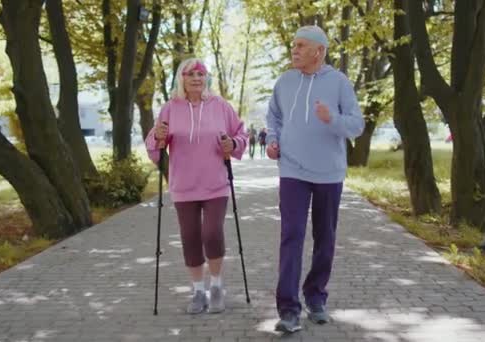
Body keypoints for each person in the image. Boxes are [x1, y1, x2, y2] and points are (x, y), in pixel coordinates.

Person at [265, 25, 365, 333]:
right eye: (293, 45)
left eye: (300, 45)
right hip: (292, 169)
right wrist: (272, 139)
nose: (293, 50)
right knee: (291, 234)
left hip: (328, 173)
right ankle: (288, 309)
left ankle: (316, 297)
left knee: (325, 238)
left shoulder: (339, 83)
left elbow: (357, 125)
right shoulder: (285, 81)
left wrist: (331, 119)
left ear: (318, 51)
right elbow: (274, 117)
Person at [146, 58, 248, 315]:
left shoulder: (220, 105)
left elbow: (240, 133)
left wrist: (233, 145)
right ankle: (198, 290)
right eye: (190, 74)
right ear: (182, 79)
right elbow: (155, 141)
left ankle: (216, 286)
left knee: (211, 234)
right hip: (183, 185)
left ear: (206, 78)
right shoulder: (170, 108)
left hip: (215, 183)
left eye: (200, 74)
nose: (196, 78)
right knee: (190, 238)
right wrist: (157, 137)